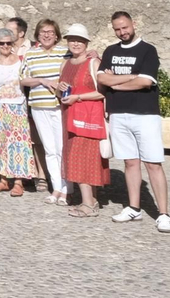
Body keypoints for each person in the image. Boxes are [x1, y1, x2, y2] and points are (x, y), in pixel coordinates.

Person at [97, 11, 170, 232]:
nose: (122, 32)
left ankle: (164, 214)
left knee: (153, 163)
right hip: (118, 114)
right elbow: (102, 78)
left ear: (133, 24)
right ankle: (134, 208)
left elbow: (146, 82)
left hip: (145, 114)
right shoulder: (110, 51)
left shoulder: (148, 50)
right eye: (117, 29)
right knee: (130, 162)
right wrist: (131, 76)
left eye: (125, 27)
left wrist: (116, 83)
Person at [58, 23, 109, 218]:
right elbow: (59, 92)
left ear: (86, 42)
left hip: (88, 117)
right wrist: (59, 88)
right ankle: (91, 201)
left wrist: (78, 97)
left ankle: (88, 204)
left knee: (82, 158)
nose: (75, 43)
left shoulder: (93, 63)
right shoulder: (66, 63)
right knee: (80, 157)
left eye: (79, 40)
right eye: (72, 40)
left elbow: (103, 92)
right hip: (69, 116)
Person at [0, 24, 36, 195]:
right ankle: (3, 179)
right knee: (0, 143)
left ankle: (18, 182)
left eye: (8, 43)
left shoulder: (21, 62)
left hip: (17, 107)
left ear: (13, 43)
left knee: (18, 144)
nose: (5, 46)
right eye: (2, 43)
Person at [21, 18, 70, 203]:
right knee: (49, 149)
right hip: (39, 106)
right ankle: (56, 187)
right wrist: (42, 80)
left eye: (50, 32)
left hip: (58, 106)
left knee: (61, 148)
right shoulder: (30, 54)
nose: (47, 35)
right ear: (37, 35)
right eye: (43, 32)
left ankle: (67, 188)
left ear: (56, 34)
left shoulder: (64, 52)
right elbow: (23, 79)